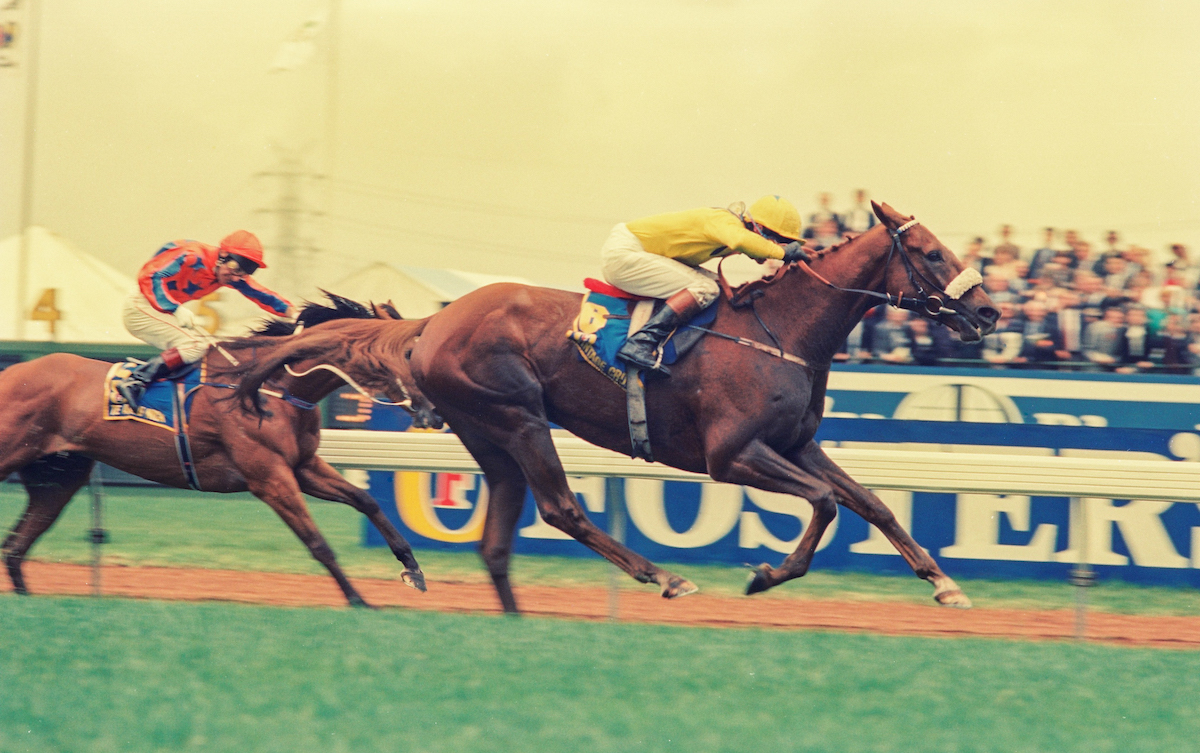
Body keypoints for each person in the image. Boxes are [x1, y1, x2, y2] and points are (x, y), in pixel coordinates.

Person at [599, 196, 810, 374]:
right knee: (706, 289)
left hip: (638, 253)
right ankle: (641, 343)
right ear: (759, 228)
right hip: (625, 254)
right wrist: (783, 253)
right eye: (776, 239)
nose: (776, 245)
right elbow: (741, 241)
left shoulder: (731, 227)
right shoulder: (724, 222)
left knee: (716, 286)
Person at [116, 230, 295, 407]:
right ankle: (134, 382)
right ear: (223, 255)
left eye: (241, 274)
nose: (234, 278)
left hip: (162, 309)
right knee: (195, 345)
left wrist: (294, 313)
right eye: (234, 270)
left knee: (208, 348)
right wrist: (175, 308)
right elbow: (149, 275)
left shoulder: (231, 273)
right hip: (142, 305)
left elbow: (263, 295)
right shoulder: (192, 255)